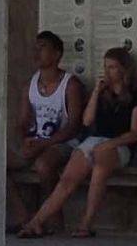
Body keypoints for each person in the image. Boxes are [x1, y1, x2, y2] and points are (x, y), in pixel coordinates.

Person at [19, 48, 137, 239]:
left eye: (112, 67)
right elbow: (87, 121)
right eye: (105, 67)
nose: (108, 71)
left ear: (124, 70)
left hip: (119, 145)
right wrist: (96, 92)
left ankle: (86, 223)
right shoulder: (103, 94)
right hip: (94, 141)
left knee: (100, 167)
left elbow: (135, 133)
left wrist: (108, 145)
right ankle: (36, 221)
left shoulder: (136, 97)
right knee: (68, 179)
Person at [5, 31, 85, 228]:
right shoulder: (30, 85)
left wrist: (43, 145)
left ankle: (52, 215)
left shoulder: (70, 85)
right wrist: (26, 139)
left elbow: (74, 126)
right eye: (35, 48)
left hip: (64, 142)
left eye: (43, 48)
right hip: (37, 140)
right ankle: (23, 216)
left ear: (57, 54)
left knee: (44, 165)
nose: (37, 52)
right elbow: (22, 122)